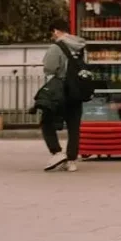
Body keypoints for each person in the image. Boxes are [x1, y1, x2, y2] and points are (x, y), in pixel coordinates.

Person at [41, 19, 87, 173]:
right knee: (74, 126)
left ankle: (57, 153)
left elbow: (49, 68)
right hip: (77, 89)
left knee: (46, 121)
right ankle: (72, 160)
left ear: (56, 31)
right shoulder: (79, 45)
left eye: (52, 33)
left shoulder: (56, 47)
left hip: (60, 91)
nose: (52, 36)